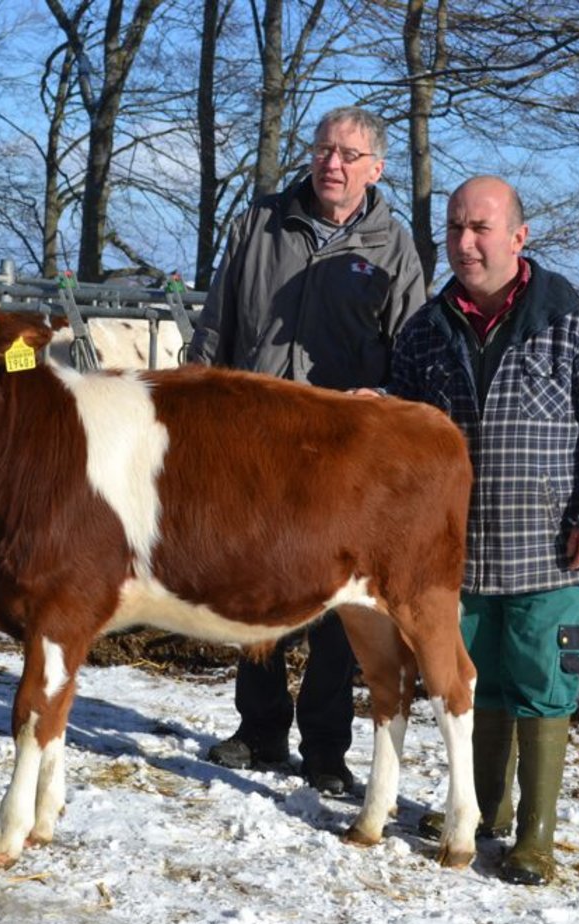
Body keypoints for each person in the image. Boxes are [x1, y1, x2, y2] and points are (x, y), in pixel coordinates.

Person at [387, 175, 579, 884]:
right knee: (472, 676)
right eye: (456, 229)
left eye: (481, 229)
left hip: (547, 547)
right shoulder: (424, 330)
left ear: (518, 237)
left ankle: (535, 835)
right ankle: (484, 805)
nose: (465, 243)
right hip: (453, 552)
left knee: (540, 681)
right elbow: (401, 437)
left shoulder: (575, 318)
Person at [189, 106, 427, 795]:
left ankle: (326, 746)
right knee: (255, 589)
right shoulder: (260, 223)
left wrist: (383, 400)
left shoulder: (394, 247)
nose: (333, 163)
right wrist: (199, 402)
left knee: (335, 601)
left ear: (375, 170)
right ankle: (258, 728)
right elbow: (218, 322)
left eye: (350, 155)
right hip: (256, 442)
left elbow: (409, 350)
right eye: (324, 150)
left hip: (340, 455)